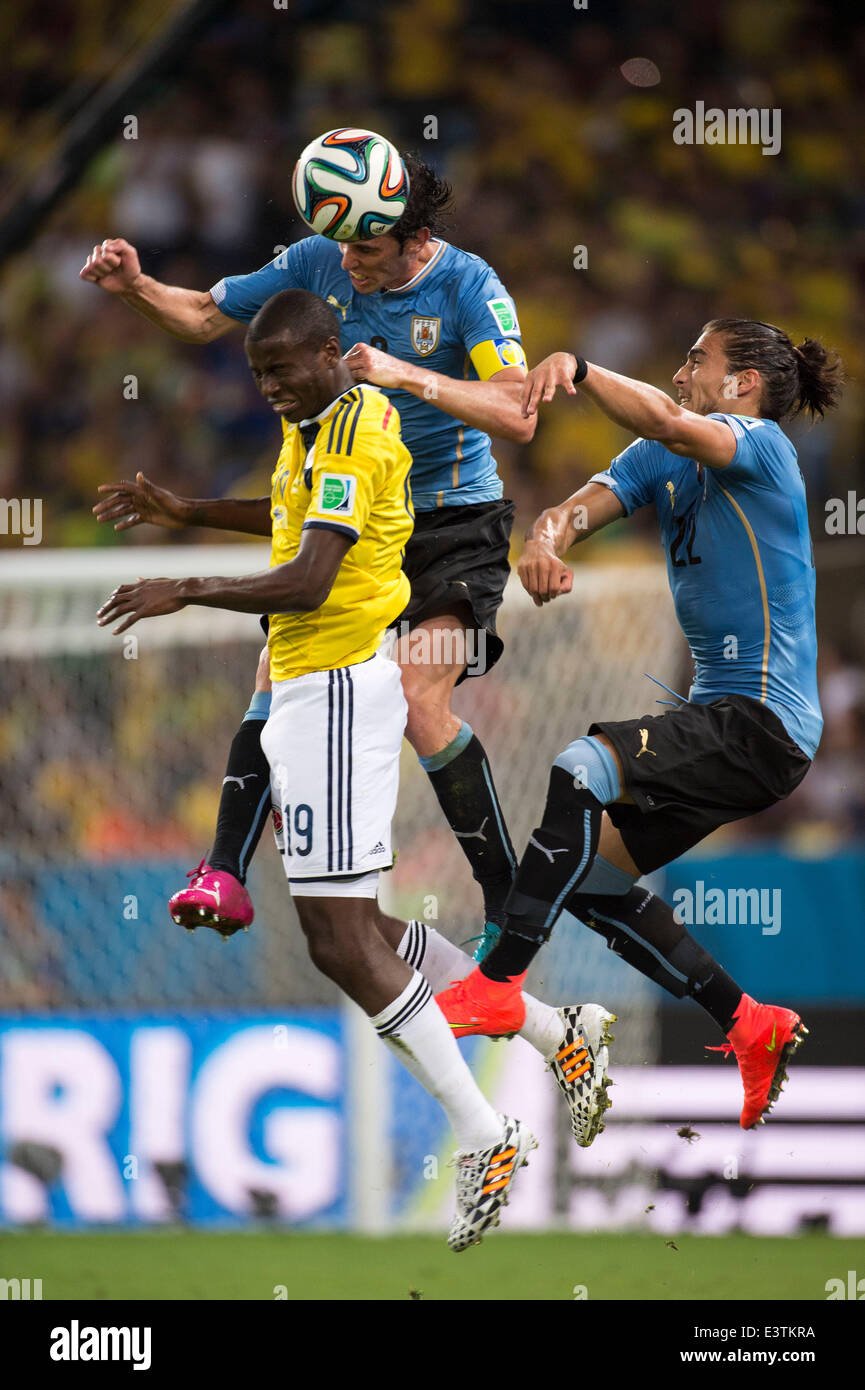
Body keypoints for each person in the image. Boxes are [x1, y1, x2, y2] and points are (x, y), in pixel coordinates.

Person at [95, 336, 617, 1154]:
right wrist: (190, 513)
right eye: (258, 372)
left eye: (280, 368)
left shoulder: (353, 431)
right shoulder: (308, 430)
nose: (267, 385)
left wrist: (185, 588)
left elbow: (308, 577)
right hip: (315, 685)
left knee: (339, 936)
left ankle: (484, 1121)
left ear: (328, 354)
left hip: (348, 683)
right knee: (360, 929)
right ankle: (557, 1033)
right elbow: (284, 523)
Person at [81, 153, 533, 961]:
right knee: (274, 671)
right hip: (348, 514)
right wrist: (138, 286)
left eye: (364, 250)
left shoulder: (468, 287)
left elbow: (516, 411)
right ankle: (223, 871)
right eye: (339, 248)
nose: (347, 265)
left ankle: (508, 902)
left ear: (412, 235)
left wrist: (406, 374)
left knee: (419, 696)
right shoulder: (316, 258)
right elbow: (201, 316)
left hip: (451, 522)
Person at [435, 319, 844, 1130]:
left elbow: (660, 417)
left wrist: (582, 370)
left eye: (699, 357)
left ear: (744, 385)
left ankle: (498, 982)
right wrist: (544, 543)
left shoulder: (758, 446)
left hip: (762, 718)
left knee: (583, 765)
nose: (682, 367)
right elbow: (570, 510)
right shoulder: (662, 459)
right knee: (591, 879)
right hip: (726, 721)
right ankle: (749, 1023)